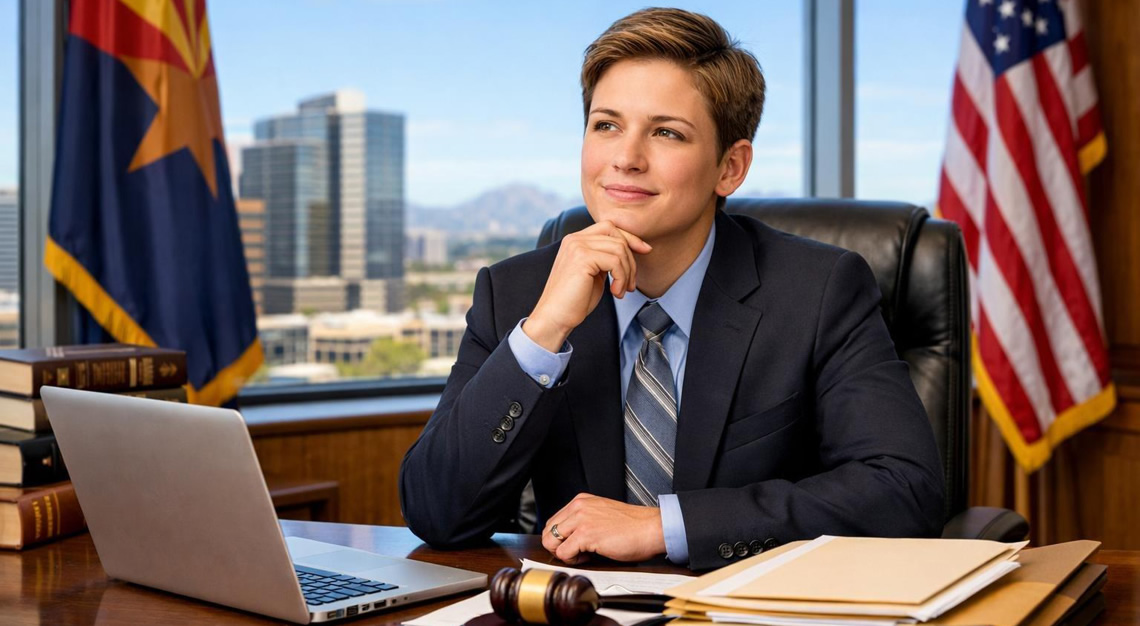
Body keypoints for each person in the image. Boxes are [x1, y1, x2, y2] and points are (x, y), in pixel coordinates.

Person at [399, 7, 944, 571]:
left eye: (666, 133)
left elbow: (904, 489)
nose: (625, 159)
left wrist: (668, 525)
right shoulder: (515, 293)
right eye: (605, 125)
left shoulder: (819, 290)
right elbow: (439, 514)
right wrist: (543, 335)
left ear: (730, 168)